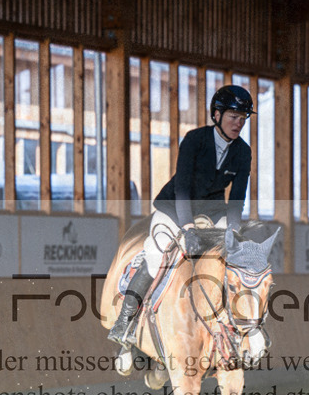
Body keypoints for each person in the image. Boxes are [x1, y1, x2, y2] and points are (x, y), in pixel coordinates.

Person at [107, 84, 254, 348]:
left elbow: (237, 199)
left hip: (213, 212)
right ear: (216, 115)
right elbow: (183, 187)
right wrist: (187, 228)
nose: (239, 123)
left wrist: (233, 231)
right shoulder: (195, 140)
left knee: (234, 259)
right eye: (234, 117)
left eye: (243, 119)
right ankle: (126, 321)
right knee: (156, 253)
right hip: (175, 209)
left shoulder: (243, 151)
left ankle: (236, 327)